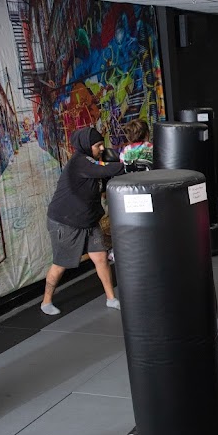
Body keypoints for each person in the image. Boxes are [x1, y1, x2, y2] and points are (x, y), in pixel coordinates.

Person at [41, 127, 123, 315]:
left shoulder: (93, 161)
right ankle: (46, 302)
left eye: (102, 144)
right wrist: (126, 164)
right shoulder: (79, 162)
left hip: (88, 220)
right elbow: (104, 170)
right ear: (86, 145)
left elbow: (102, 177)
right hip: (65, 221)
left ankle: (111, 298)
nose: (102, 148)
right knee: (60, 264)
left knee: (101, 257)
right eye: (97, 145)